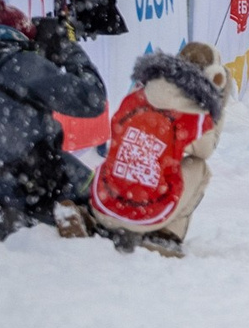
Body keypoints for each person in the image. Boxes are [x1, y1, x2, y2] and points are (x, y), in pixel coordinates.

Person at [0, 0, 107, 238]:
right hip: (33, 177)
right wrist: (69, 48)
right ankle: (78, 213)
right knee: (100, 194)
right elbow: (93, 100)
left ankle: (13, 212)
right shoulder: (24, 65)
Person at [87, 42, 227, 257]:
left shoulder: (138, 92)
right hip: (147, 211)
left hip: (105, 201)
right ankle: (165, 236)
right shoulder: (192, 114)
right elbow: (205, 150)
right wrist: (217, 106)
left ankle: (98, 221)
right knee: (199, 167)